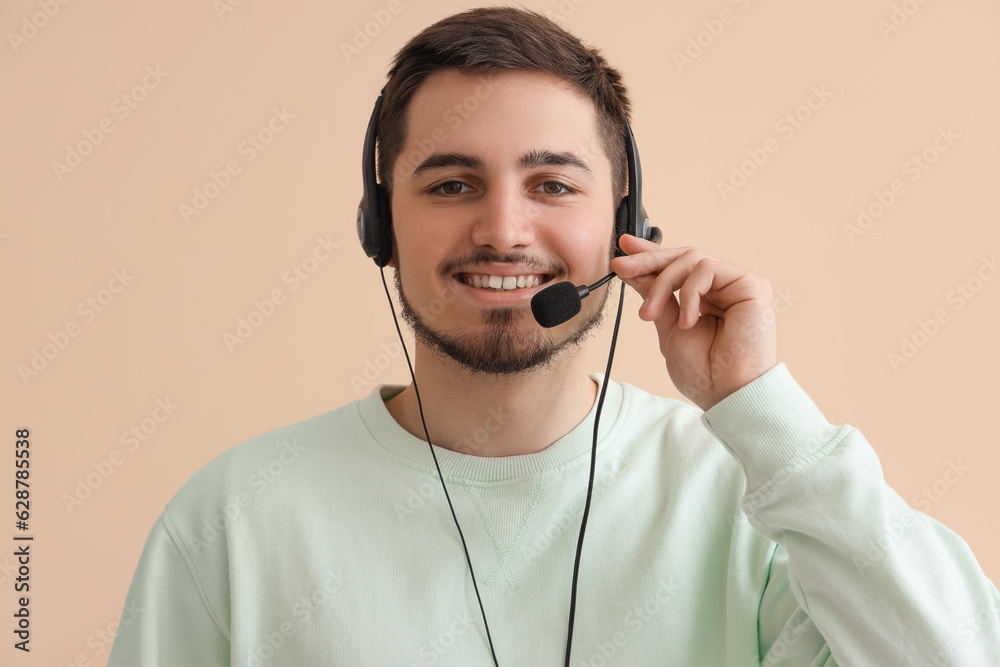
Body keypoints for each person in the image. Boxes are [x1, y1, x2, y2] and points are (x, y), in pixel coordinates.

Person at [108, 7, 1000, 666]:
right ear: (380, 224)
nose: (503, 230)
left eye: (553, 185)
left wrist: (761, 410)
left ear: (628, 224)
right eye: (451, 184)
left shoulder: (752, 497)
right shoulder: (233, 520)